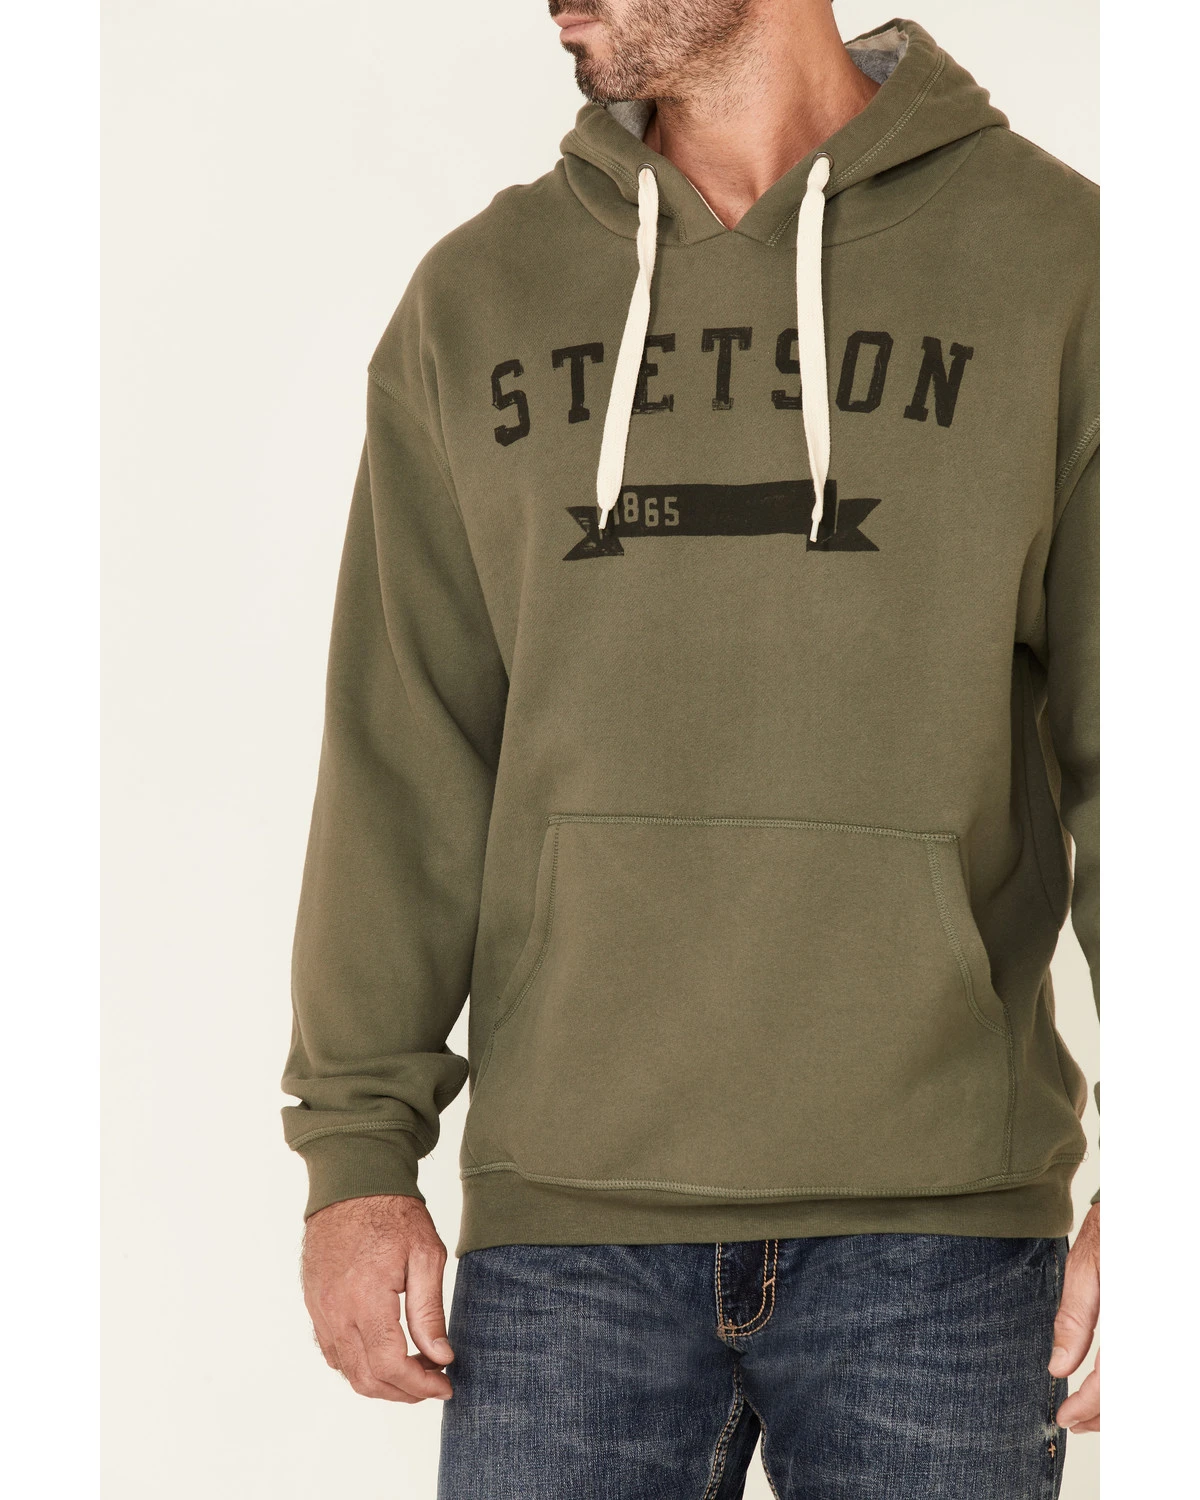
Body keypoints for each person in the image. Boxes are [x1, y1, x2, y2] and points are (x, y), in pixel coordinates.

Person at [283, 4, 1100, 1494]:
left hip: (943, 1232)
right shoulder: (480, 298)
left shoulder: (1065, 266)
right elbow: (404, 751)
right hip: (566, 1235)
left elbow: (1149, 759)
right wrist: (355, 1155)